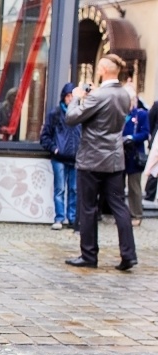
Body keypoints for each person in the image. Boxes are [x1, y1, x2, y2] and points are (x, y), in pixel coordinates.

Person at [64, 54, 137, 271]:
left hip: (92, 159)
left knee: (87, 207)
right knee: (119, 206)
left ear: (103, 69)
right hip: (114, 158)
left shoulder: (99, 96)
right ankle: (128, 254)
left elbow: (72, 118)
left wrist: (77, 97)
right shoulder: (124, 94)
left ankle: (89, 254)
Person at [40, 83, 81, 230]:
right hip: (59, 158)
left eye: (72, 96)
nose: (70, 99)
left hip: (76, 158)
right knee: (59, 189)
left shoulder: (81, 114)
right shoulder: (56, 113)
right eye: (68, 96)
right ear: (64, 97)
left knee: (74, 189)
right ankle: (59, 217)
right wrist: (54, 149)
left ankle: (72, 218)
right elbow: (45, 136)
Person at [122, 84, 150, 227]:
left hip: (134, 155)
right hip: (120, 154)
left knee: (134, 187)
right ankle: (120, 214)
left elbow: (145, 133)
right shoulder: (120, 114)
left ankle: (136, 214)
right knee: (117, 186)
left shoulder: (141, 114)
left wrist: (131, 138)